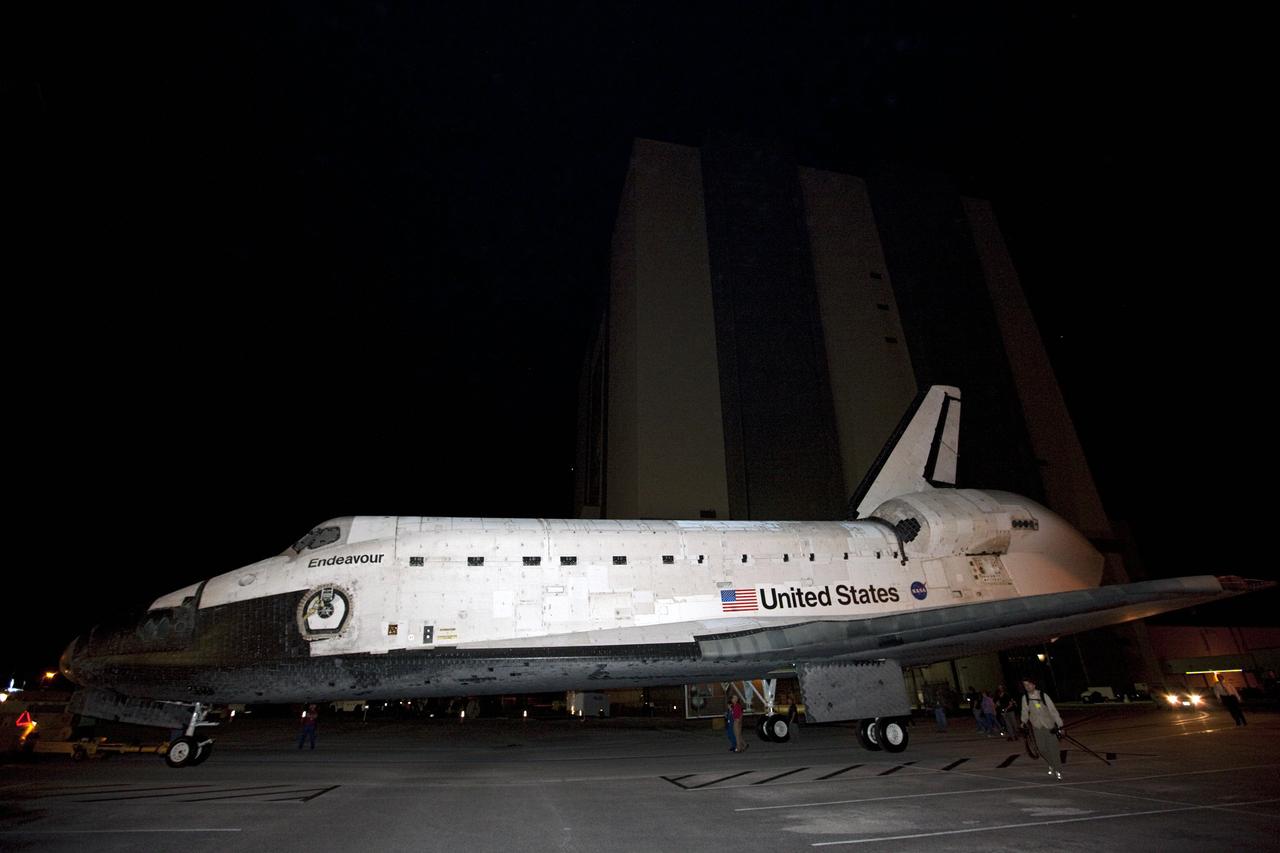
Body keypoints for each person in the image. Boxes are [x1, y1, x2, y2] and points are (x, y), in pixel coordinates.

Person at [1020, 677, 1064, 779]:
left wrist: (1060, 725)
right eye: (1025, 685)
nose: (1027, 687)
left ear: (1034, 685)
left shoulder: (1043, 695)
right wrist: (1023, 721)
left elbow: (1053, 711)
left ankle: (1058, 770)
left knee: (1053, 749)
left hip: (1049, 726)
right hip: (1037, 726)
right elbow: (1024, 711)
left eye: (1028, 684)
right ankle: (1051, 764)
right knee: (1042, 749)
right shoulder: (1025, 698)